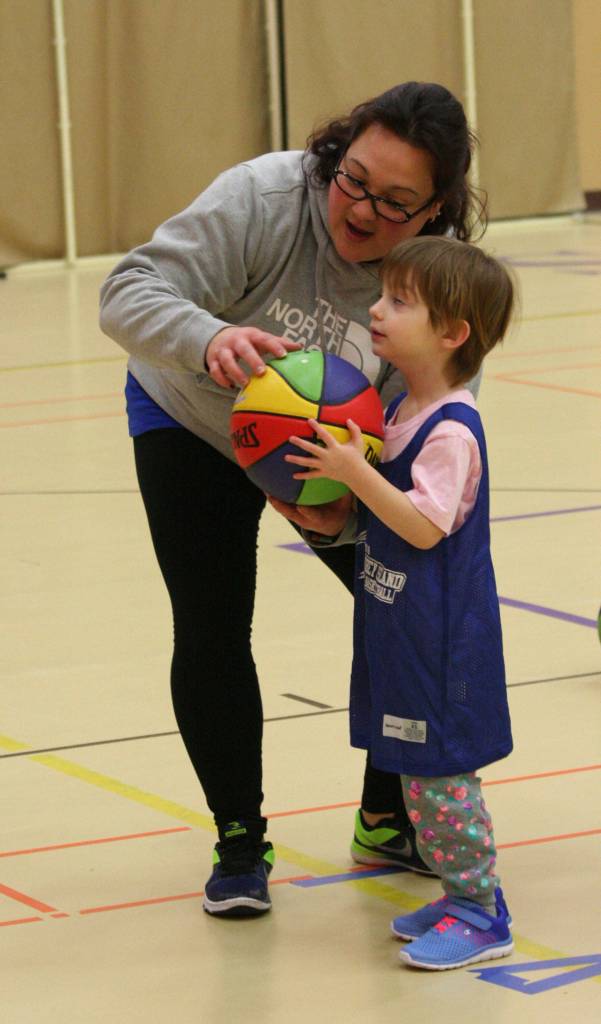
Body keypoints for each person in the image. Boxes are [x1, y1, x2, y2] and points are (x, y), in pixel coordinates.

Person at [99, 81, 486, 918]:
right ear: (332, 156)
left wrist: (346, 509)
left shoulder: (436, 280)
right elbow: (125, 292)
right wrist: (211, 338)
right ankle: (239, 842)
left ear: (434, 210)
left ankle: (388, 815)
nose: (361, 209)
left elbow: (431, 415)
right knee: (210, 623)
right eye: (352, 180)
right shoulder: (264, 198)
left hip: (330, 460)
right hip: (191, 418)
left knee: (402, 610)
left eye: (394, 201)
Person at [282, 235, 515, 970]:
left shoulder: (450, 428)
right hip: (400, 629)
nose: (377, 310)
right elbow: (392, 517)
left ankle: (482, 911)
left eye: (398, 302)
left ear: (451, 334)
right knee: (418, 780)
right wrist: (339, 521)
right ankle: (457, 894)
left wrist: (354, 474)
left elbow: (422, 521)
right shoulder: (398, 404)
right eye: (381, 295)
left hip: (443, 643)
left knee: (443, 783)